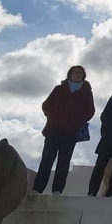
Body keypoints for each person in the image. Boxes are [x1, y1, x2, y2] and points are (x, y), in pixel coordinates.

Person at [33, 65, 95, 195]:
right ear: (70, 74)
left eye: (80, 73)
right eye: (75, 72)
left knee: (64, 162)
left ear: (83, 76)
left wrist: (77, 120)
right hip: (53, 129)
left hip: (71, 133)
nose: (77, 75)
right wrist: (53, 115)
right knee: (46, 160)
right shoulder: (59, 88)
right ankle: (37, 188)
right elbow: (46, 105)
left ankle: (57, 189)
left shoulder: (87, 92)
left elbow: (90, 111)